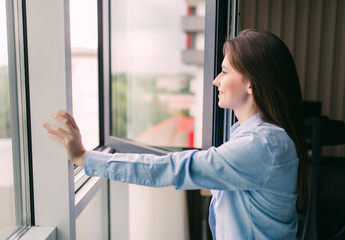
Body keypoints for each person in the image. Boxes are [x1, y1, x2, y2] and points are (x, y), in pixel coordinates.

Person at [43, 29, 307, 239]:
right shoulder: (252, 138)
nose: (216, 80)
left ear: (251, 83)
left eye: (225, 71)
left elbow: (174, 168)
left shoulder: (263, 145)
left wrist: (85, 158)